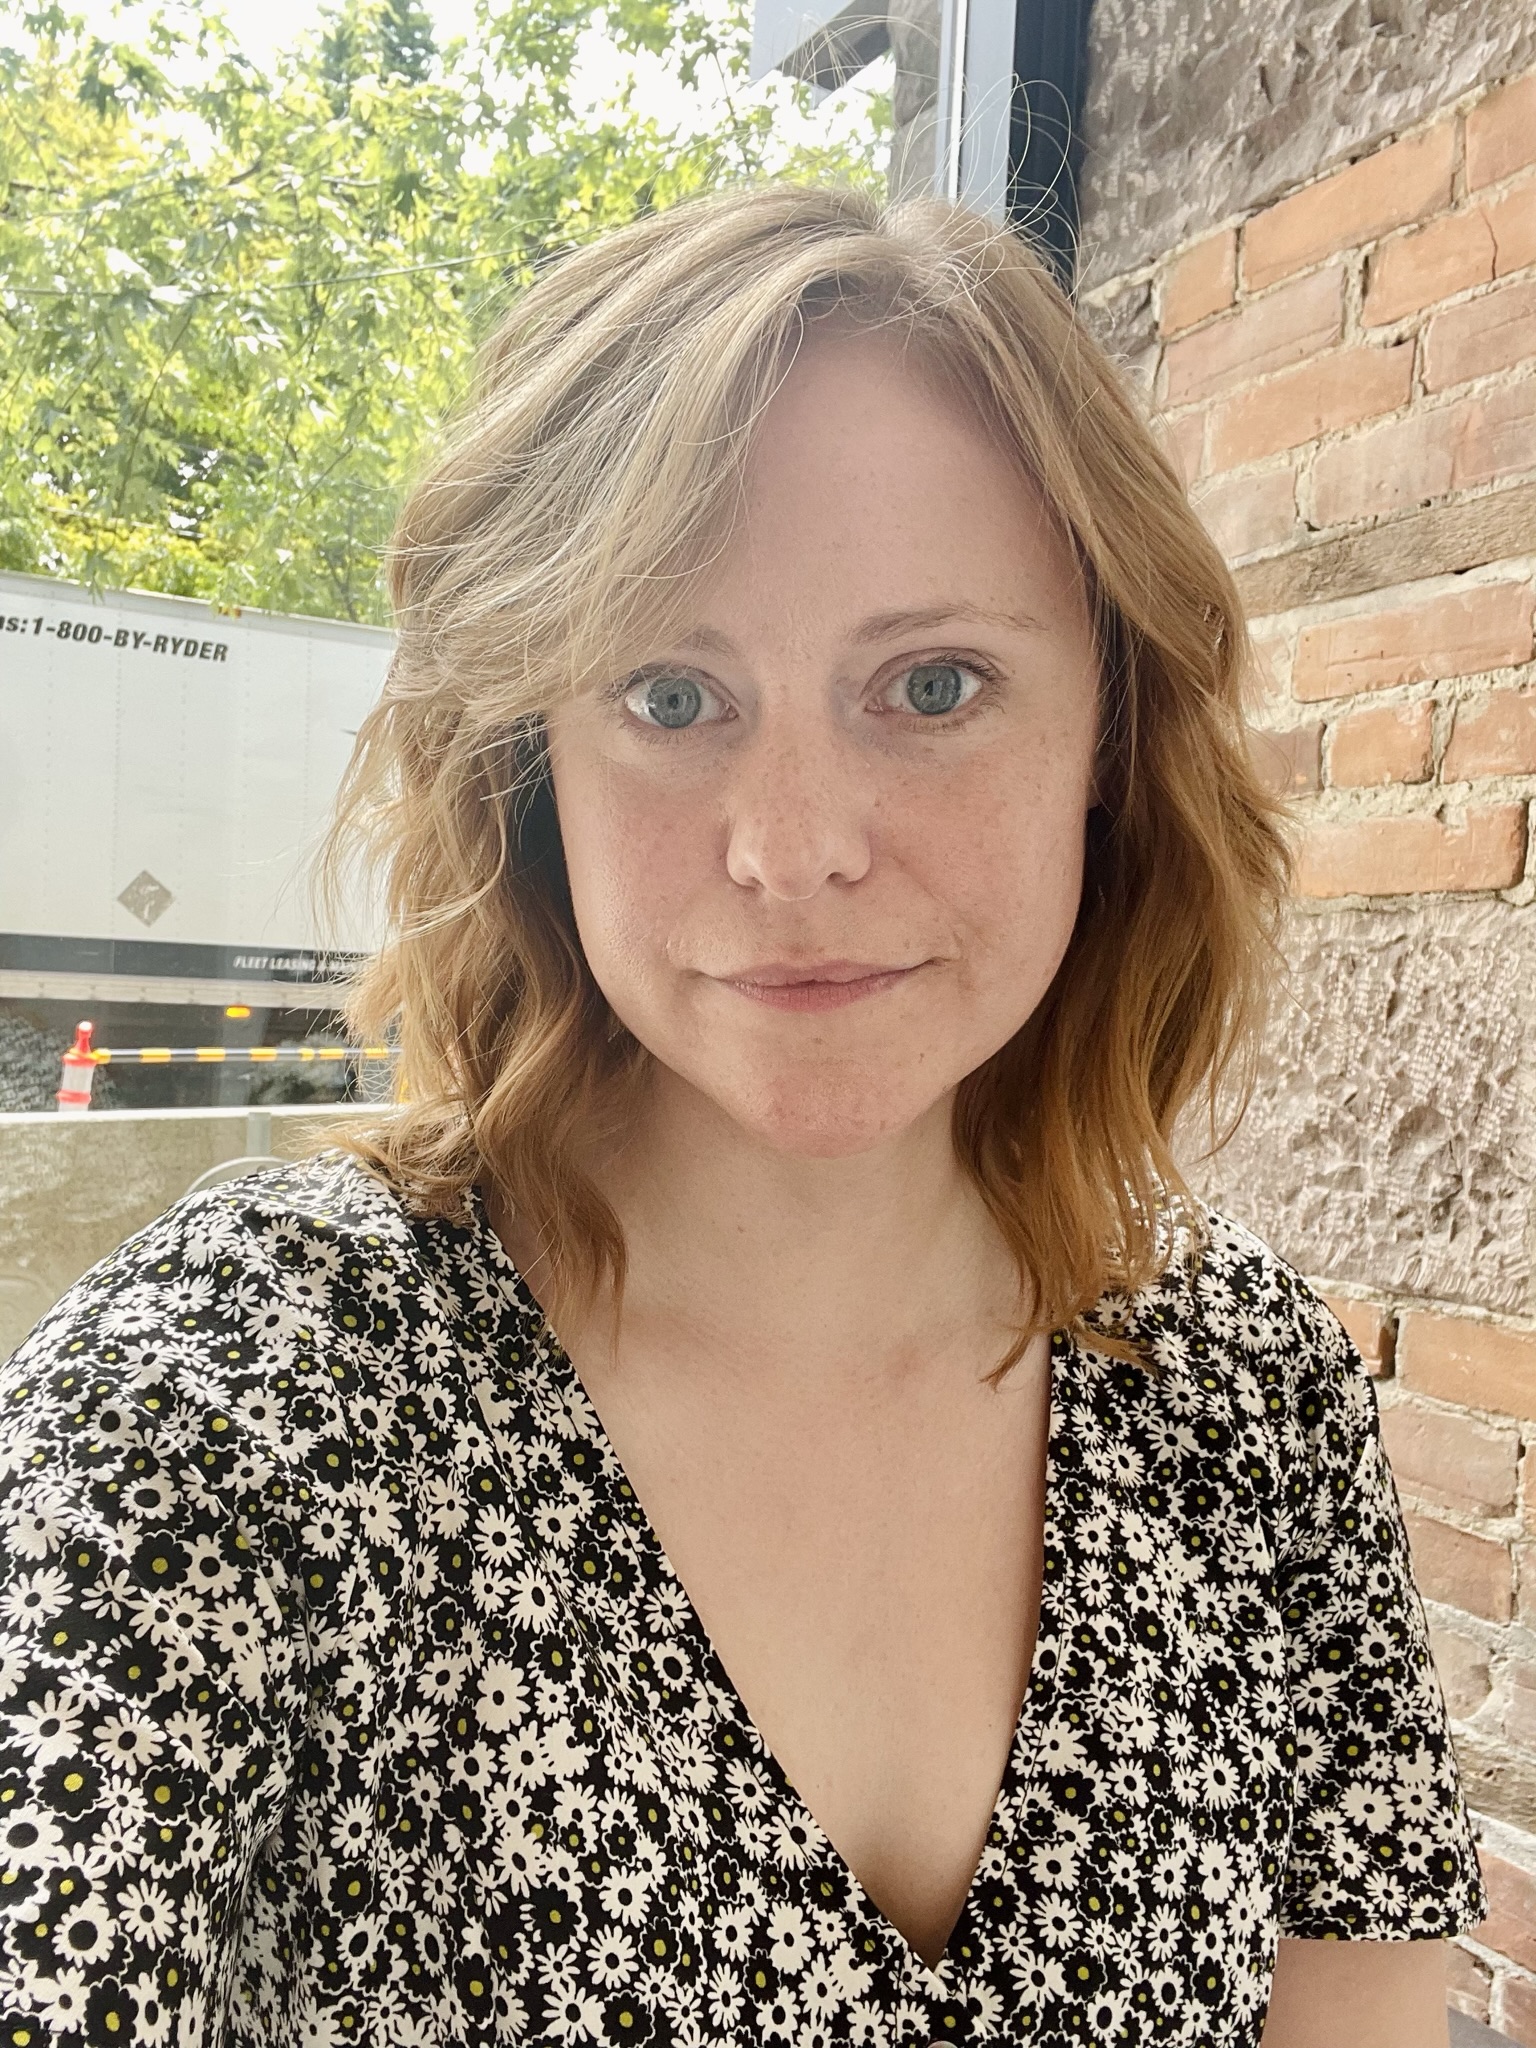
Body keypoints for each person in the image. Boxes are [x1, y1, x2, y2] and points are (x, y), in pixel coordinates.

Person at [0, 185, 1483, 2048]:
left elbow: (1364, 1991)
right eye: (673, 693)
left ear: (1112, 735)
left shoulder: (1246, 1392)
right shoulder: (231, 1412)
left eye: (931, 686)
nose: (793, 852)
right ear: (531, 755)